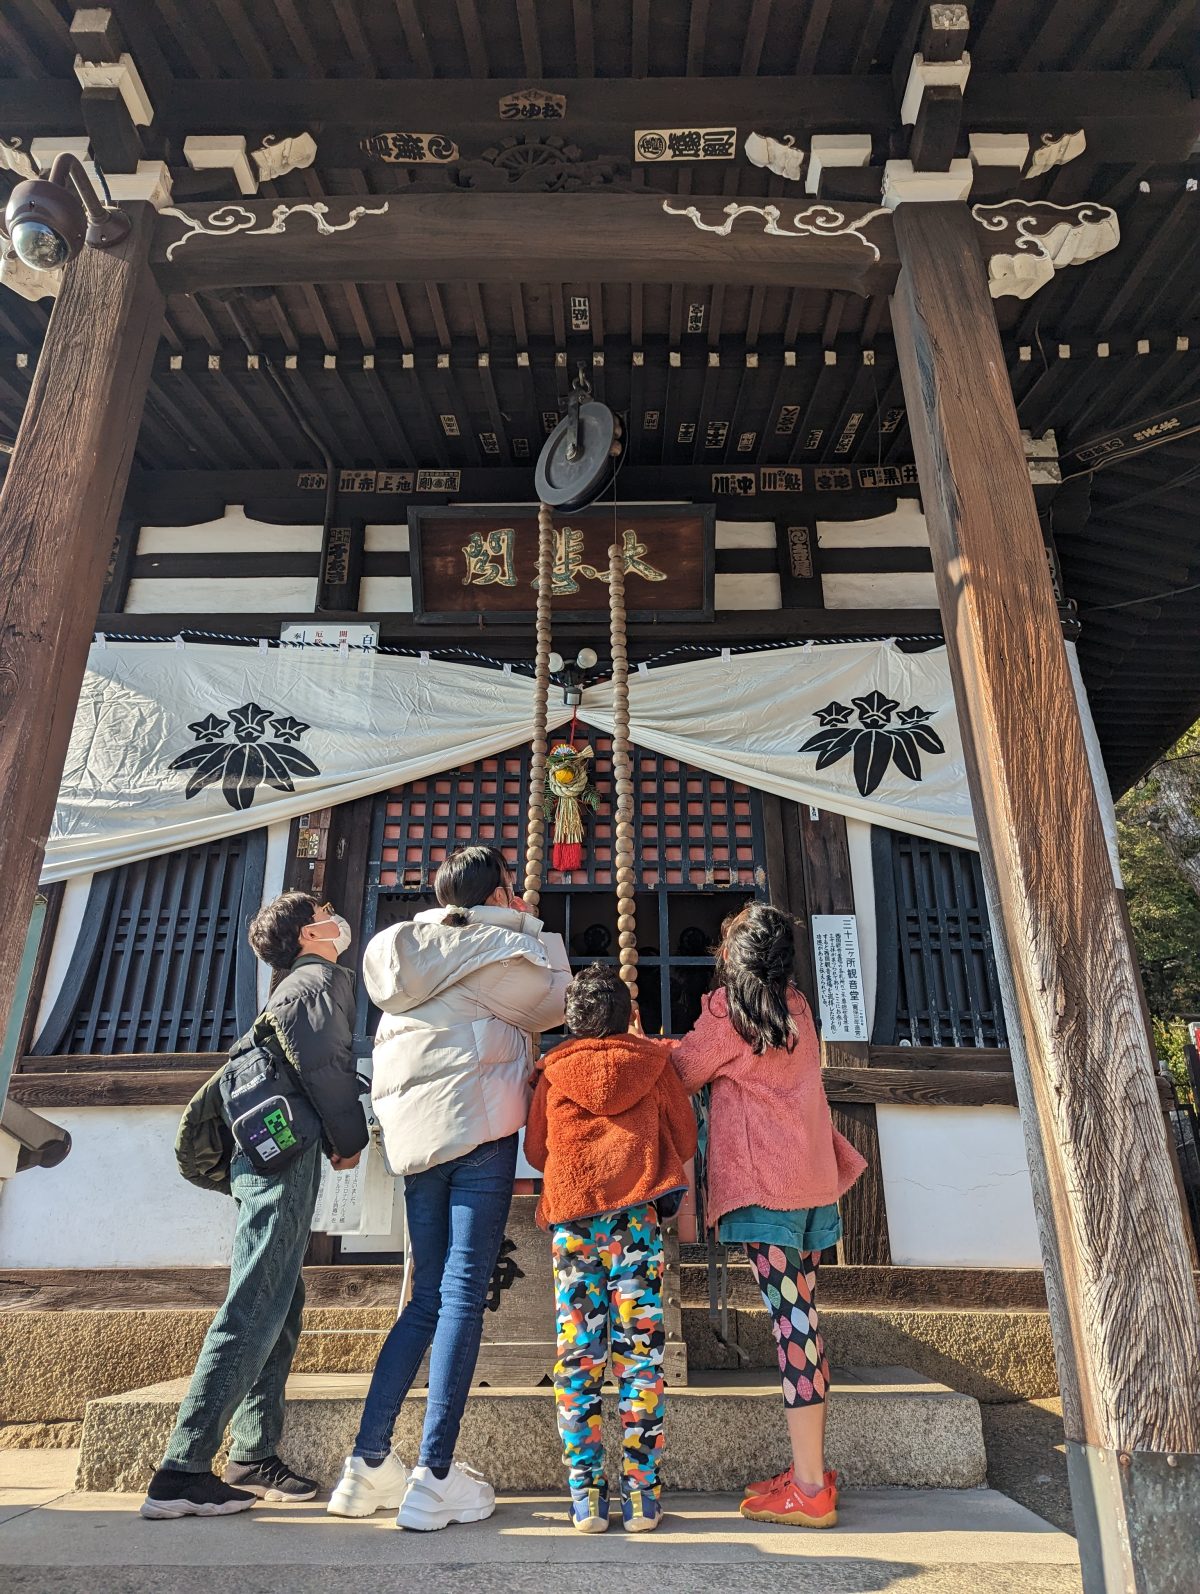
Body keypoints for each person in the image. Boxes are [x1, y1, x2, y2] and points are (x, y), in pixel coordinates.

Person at [328, 845, 570, 1530]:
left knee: (425, 1298)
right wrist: (530, 923)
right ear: (497, 893)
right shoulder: (497, 950)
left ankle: (367, 1464)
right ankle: (434, 1476)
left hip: (414, 1143)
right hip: (477, 1134)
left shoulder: (398, 951)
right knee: (463, 1294)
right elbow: (557, 1000)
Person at [141, 893, 368, 1520]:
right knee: (257, 1300)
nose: (335, 917)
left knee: (279, 1300)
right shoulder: (317, 981)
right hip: (284, 1159)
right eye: (324, 910)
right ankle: (182, 1470)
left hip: (262, 1153)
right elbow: (326, 1068)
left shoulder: (291, 988)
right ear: (307, 934)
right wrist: (349, 1139)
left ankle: (251, 1454)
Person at [670, 904, 866, 1530]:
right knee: (803, 1317)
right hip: (811, 1179)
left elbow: (682, 1071)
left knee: (793, 1327)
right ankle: (811, 1472)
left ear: (735, 956)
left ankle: (809, 1488)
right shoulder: (797, 1007)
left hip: (765, 1187)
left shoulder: (728, 1013)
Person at [523, 963, 697, 1535]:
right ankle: (642, 1497)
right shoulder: (653, 1065)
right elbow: (686, 1138)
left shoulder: (554, 1073)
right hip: (636, 1226)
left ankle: (586, 1499)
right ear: (629, 1015)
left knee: (578, 1358)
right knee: (640, 1357)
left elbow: (537, 1151)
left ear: (571, 1020)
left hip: (574, 1227)